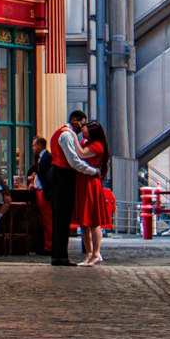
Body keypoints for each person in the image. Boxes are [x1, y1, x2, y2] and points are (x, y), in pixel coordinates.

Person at [45, 111, 98, 266]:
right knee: (62, 218)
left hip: (57, 174)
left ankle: (58, 255)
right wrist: (93, 171)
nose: (82, 128)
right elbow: (73, 160)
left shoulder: (60, 133)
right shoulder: (67, 135)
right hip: (62, 176)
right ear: (74, 121)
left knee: (59, 218)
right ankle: (60, 256)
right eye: (82, 124)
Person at [74, 120, 112, 266]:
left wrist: (73, 139)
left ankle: (95, 253)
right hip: (85, 182)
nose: (83, 130)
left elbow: (82, 154)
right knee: (84, 222)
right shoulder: (89, 143)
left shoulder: (97, 146)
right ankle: (89, 253)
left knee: (93, 221)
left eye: (85, 128)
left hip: (90, 184)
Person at [27, 136, 53, 254]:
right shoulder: (41, 158)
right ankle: (46, 244)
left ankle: (49, 246)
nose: (33, 148)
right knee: (44, 219)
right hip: (40, 190)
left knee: (47, 219)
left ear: (40, 145)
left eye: (34, 145)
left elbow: (46, 177)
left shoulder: (46, 158)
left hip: (43, 191)